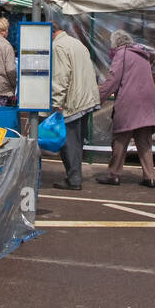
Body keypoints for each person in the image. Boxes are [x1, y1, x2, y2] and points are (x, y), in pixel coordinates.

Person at [94, 30, 155, 188]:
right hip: (147, 104)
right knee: (144, 141)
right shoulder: (142, 54)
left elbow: (113, 79)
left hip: (129, 104)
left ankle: (114, 174)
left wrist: (97, 98)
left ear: (115, 43)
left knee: (120, 139)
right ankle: (149, 177)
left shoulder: (122, 54)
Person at [50, 25, 101, 191]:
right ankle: (74, 176)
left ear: (51, 32)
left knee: (68, 142)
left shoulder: (58, 46)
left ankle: (73, 180)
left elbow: (60, 76)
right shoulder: (77, 43)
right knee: (77, 142)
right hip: (86, 99)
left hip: (73, 101)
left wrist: (56, 102)